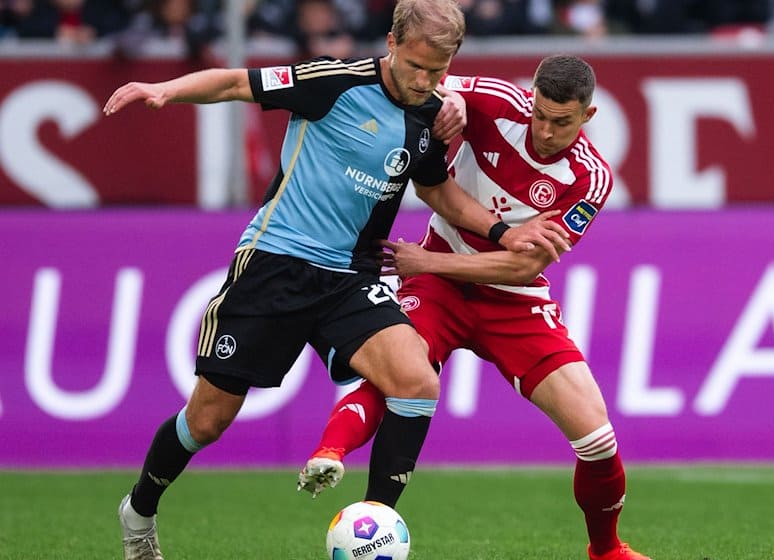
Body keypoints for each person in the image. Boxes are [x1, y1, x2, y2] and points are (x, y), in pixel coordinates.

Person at [103, 0, 571, 558]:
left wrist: (502, 233)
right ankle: (139, 510)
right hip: (276, 263)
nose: (425, 81)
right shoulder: (332, 81)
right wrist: (166, 90)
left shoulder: (432, 112)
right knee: (206, 421)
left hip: (351, 276)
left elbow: (436, 191)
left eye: (438, 70)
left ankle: (374, 530)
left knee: (416, 381)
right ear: (391, 44)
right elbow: (234, 83)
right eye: (416, 66)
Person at [298, 54, 651, 560]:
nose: (547, 131)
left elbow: (521, 270)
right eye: (541, 115)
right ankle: (329, 453)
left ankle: (607, 550)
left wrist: (429, 263)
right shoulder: (499, 102)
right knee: (401, 373)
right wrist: (454, 105)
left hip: (508, 300)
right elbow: (429, 84)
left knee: (596, 436)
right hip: (439, 290)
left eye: (563, 122)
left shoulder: (588, 179)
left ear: (588, 117)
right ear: (531, 98)